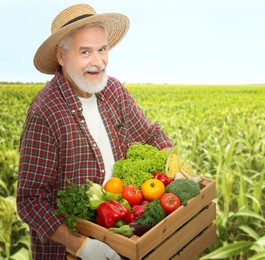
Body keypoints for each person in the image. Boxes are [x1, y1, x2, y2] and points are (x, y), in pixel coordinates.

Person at [16, 4, 173, 260]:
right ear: (62, 56)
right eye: (85, 52)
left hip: (122, 230)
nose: (98, 62)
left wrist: (173, 164)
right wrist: (79, 245)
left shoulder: (114, 91)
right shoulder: (45, 113)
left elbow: (151, 135)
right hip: (68, 251)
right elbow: (30, 201)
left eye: (102, 49)